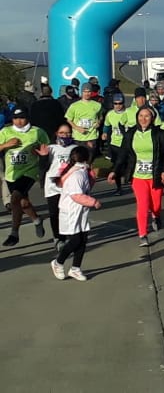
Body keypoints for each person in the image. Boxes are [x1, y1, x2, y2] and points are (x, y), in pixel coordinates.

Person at [110, 106, 164, 247]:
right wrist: (115, 171)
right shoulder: (130, 134)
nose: (143, 119)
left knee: (156, 205)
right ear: (137, 117)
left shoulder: (160, 134)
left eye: (147, 116)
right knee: (143, 205)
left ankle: (156, 216)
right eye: (141, 116)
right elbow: (122, 154)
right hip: (138, 176)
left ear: (152, 118)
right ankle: (143, 234)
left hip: (155, 175)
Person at [50, 145, 101, 281]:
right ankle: (58, 262)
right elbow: (76, 195)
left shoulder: (82, 170)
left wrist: (92, 176)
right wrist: (93, 202)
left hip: (80, 210)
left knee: (83, 239)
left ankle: (75, 268)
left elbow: (86, 187)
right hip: (71, 211)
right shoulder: (76, 174)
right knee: (75, 240)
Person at [0, 107, 50, 245]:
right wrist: (6, 145)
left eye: (22, 118)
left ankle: (14, 233)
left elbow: (47, 148)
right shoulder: (5, 131)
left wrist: (39, 152)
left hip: (30, 171)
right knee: (23, 203)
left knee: (15, 198)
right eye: (15, 118)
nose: (19, 121)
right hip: (12, 172)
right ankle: (37, 220)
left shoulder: (37, 132)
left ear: (27, 118)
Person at [40, 123, 77, 250]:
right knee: (54, 212)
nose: (65, 135)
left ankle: (69, 235)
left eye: (67, 133)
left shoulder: (75, 148)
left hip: (69, 185)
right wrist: (44, 157)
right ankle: (58, 238)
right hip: (52, 185)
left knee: (68, 212)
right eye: (62, 133)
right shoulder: (51, 148)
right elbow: (43, 168)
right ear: (56, 134)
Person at [102, 93, 131, 194]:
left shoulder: (129, 112)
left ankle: (130, 181)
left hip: (127, 144)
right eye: (115, 103)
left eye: (120, 103)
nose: (118, 105)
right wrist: (105, 133)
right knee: (116, 166)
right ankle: (119, 188)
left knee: (128, 164)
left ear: (124, 103)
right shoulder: (110, 114)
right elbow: (106, 125)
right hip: (115, 144)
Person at [65, 87, 103, 158]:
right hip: (78, 137)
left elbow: (100, 117)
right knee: (78, 159)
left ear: (91, 92)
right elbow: (69, 119)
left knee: (89, 159)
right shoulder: (74, 105)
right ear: (81, 92)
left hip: (91, 136)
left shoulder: (97, 105)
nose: (87, 94)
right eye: (85, 92)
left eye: (88, 92)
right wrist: (77, 128)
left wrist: (99, 122)